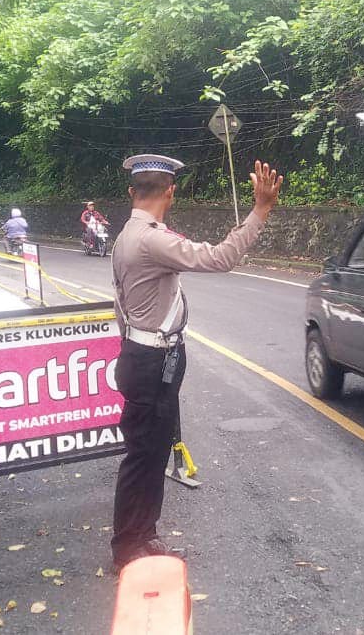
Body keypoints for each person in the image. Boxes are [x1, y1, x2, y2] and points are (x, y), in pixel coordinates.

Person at [109, 154, 282, 571]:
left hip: (147, 356)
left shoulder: (130, 235)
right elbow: (221, 258)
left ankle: (143, 534)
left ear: (133, 192)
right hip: (151, 360)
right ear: (170, 191)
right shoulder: (152, 240)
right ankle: (127, 546)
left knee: (151, 453)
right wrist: (259, 211)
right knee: (142, 456)